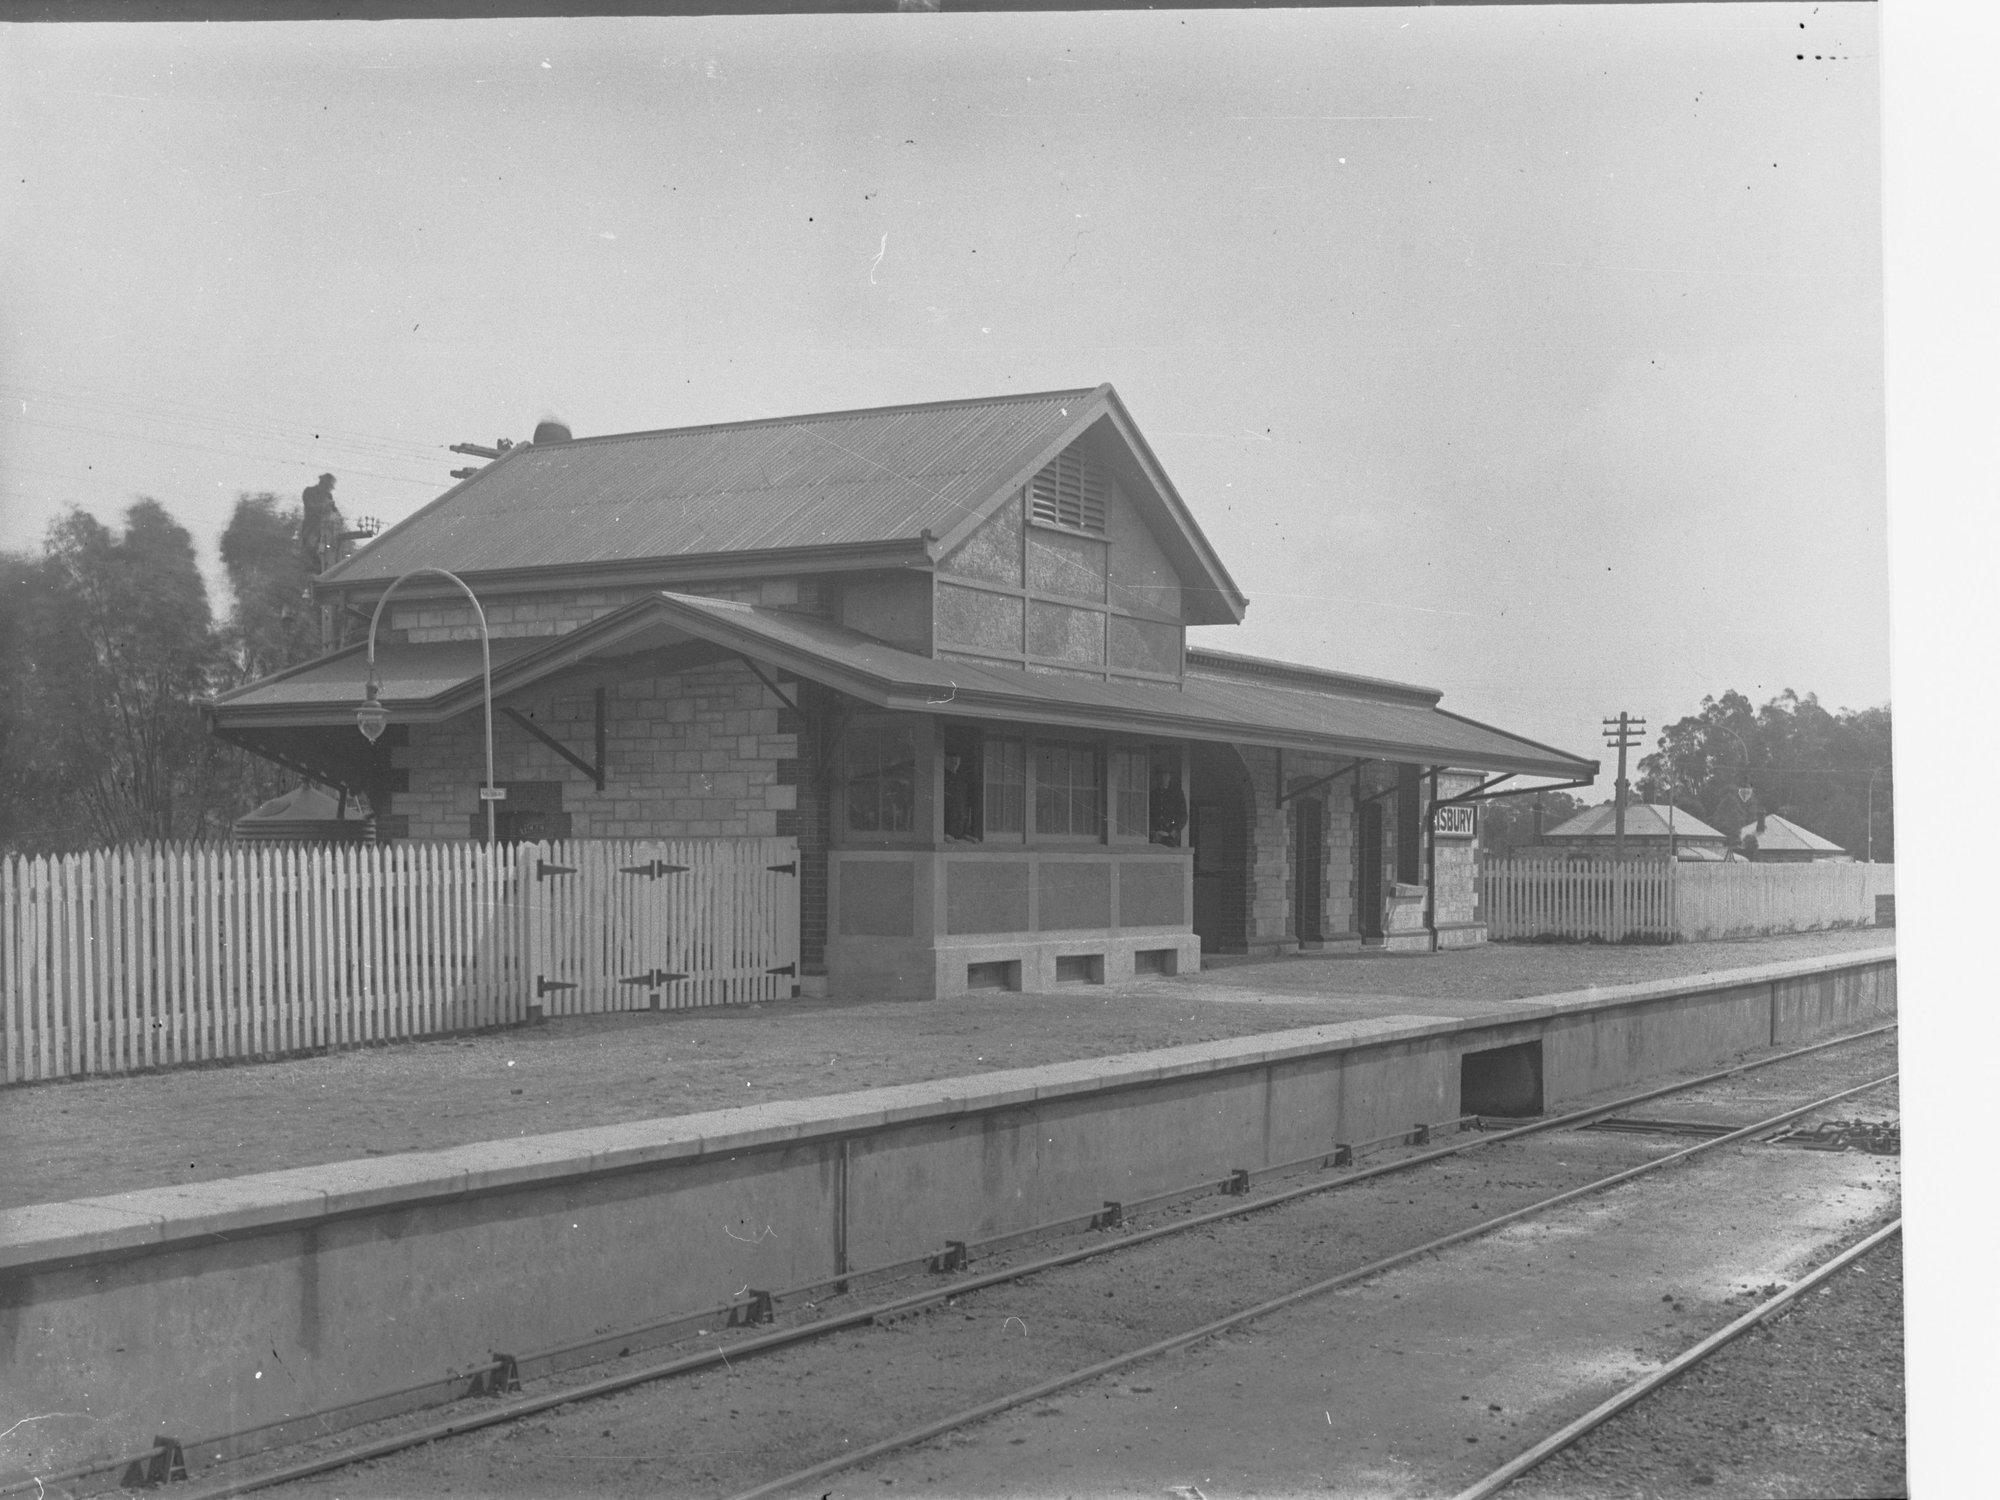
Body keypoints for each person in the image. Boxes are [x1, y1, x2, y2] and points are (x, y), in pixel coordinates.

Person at [1149, 767, 1187, 846]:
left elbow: (1183, 815)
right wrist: (1152, 831)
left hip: (1171, 835)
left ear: (1170, 777)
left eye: (1166, 776)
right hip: (1155, 835)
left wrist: (1175, 830)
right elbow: (1149, 814)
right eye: (1161, 776)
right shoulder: (1153, 794)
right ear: (1157, 777)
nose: (1163, 778)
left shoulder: (1176, 793)